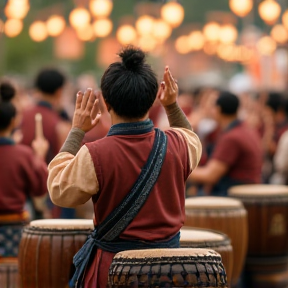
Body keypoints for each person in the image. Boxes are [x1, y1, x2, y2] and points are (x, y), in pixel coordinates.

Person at [47, 46, 202, 287]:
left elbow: (58, 190)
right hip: (171, 273)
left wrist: (76, 130)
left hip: (114, 271)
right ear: (152, 100)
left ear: (105, 102)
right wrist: (171, 105)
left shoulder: (95, 153)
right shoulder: (179, 144)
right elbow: (190, 137)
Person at [0, 80, 48, 257]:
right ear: (13, 121)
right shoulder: (23, 154)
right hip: (14, 230)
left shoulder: (21, 152)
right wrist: (40, 156)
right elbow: (39, 188)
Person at [20, 68, 74, 218]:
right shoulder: (60, 125)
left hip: (22, 193)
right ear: (59, 92)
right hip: (49, 196)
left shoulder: (21, 116)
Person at [189, 91, 262, 196]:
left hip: (235, 192)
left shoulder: (232, 137)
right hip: (244, 188)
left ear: (218, 110)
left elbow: (210, 175)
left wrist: (181, 170)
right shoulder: (247, 129)